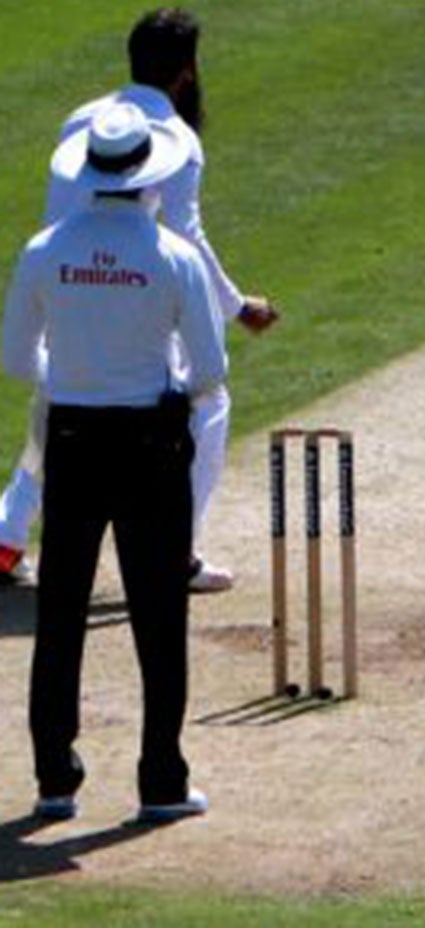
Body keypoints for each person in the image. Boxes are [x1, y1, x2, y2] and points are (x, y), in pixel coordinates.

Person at [0, 8, 277, 596]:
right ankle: (177, 552)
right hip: (135, 285)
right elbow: (186, 239)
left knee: (59, 409)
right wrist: (237, 307)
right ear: (188, 72)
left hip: (61, 284)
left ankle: (5, 536)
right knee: (210, 402)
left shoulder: (82, 120)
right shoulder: (174, 141)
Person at [2, 102, 225, 824]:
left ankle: (53, 780)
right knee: (159, 615)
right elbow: (209, 371)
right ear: (148, 178)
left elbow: (14, 360)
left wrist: (72, 369)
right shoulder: (172, 256)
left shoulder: (45, 248)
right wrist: (150, 380)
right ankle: (161, 781)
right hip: (148, 444)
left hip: (70, 439)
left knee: (61, 612)